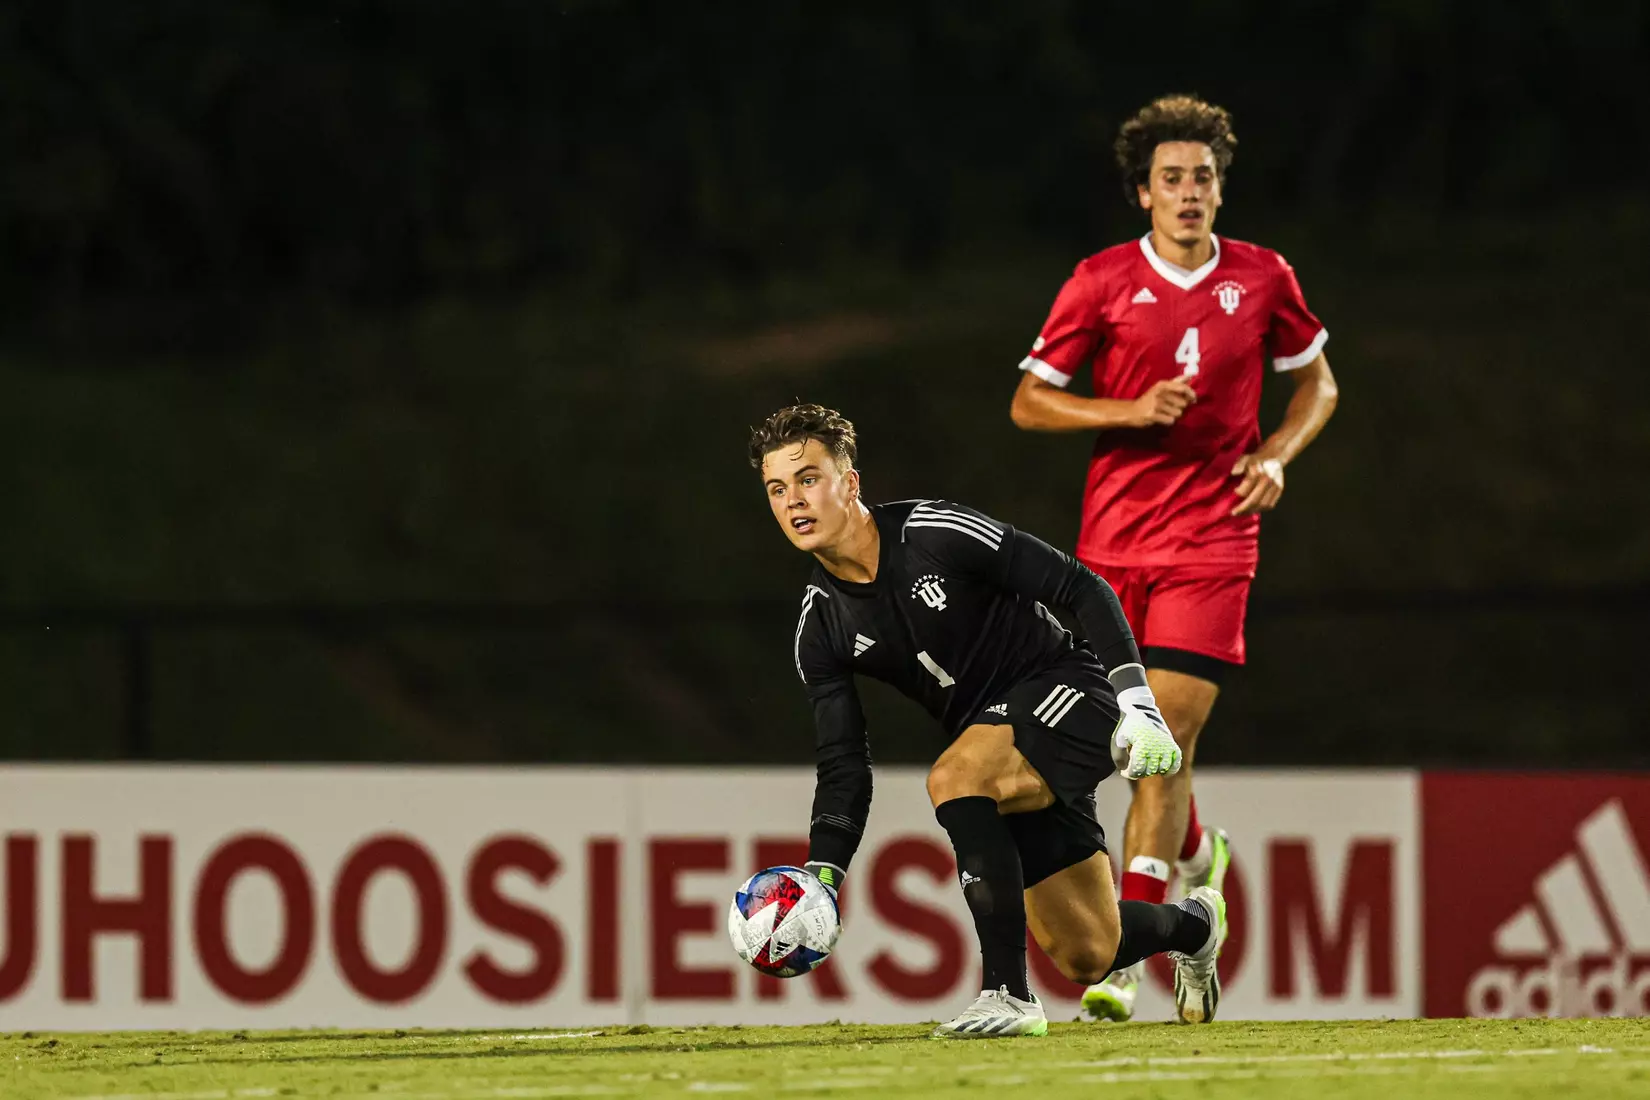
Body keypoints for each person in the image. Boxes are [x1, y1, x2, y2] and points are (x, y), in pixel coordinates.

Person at [1008, 94, 1340, 1022]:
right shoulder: (1101, 281)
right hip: (1111, 548)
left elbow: (1319, 380)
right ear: (1142, 194)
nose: (1189, 192)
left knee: (1167, 734)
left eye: (1203, 177)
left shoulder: (1264, 278)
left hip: (1214, 540)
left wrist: (1275, 453)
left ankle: (1123, 955)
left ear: (1220, 189)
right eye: (1171, 179)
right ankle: (1198, 863)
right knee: (1134, 748)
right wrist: (1126, 409)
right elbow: (1031, 403)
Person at [751, 402, 1226, 1038]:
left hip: (1071, 689)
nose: (793, 501)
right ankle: (1195, 925)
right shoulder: (821, 626)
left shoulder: (932, 532)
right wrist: (825, 874)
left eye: (809, 478)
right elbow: (843, 764)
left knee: (954, 778)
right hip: (1003, 746)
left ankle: (1007, 994)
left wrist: (1137, 701)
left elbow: (1083, 587)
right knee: (1088, 952)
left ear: (851, 482)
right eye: (777, 488)